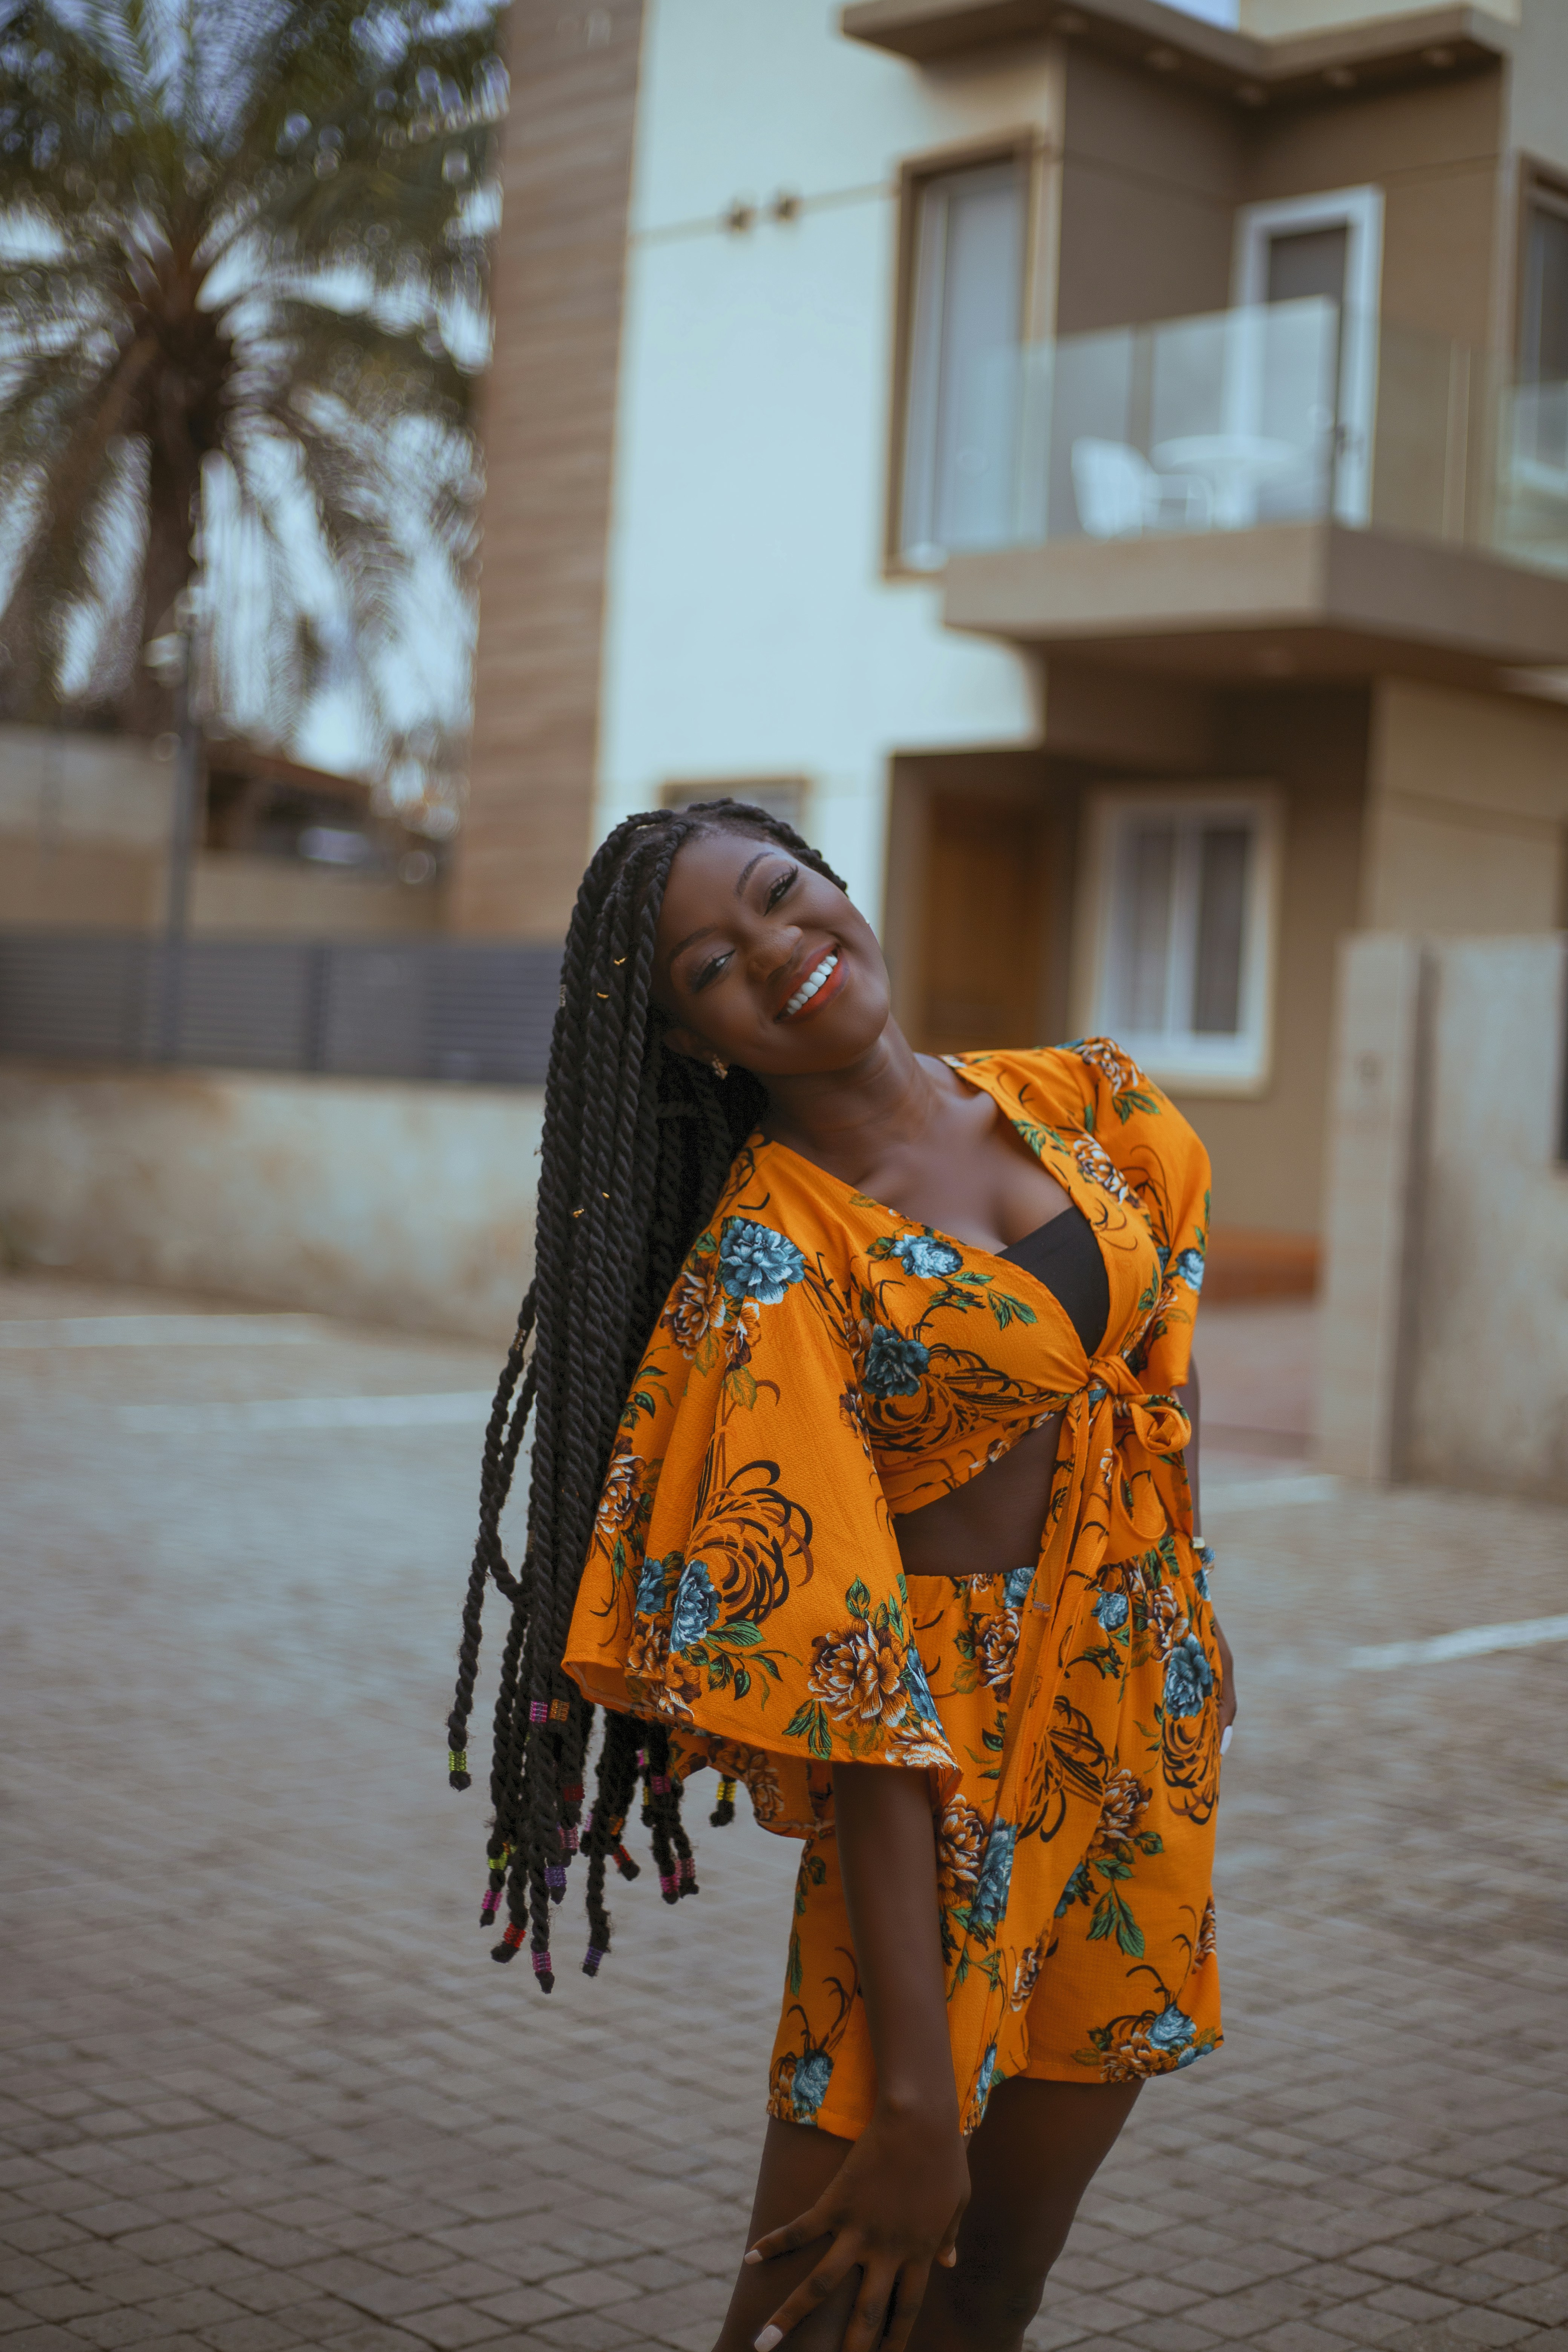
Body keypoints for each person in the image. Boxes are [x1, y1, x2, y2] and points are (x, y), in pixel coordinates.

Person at [446, 799, 1236, 2352]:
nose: (781, 954)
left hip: (1141, 1742)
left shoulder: (1077, 1101)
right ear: (690, 1042)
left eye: (780, 896)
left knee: (995, 2285)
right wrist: (912, 2096)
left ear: (832, 881)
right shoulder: (771, 1274)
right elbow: (850, 1693)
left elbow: (1158, 1341)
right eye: (715, 966)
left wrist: (1178, 1592)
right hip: (937, 1800)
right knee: (819, 2313)